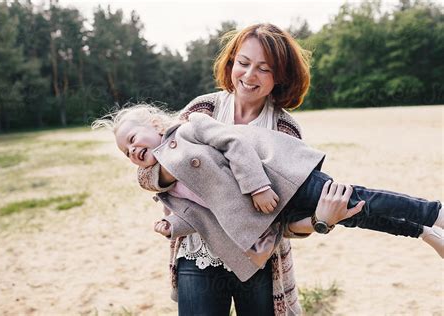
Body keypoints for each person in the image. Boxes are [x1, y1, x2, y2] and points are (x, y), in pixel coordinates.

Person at [97, 23, 365, 315]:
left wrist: (319, 221)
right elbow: (150, 169)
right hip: (197, 255)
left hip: (258, 262)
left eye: (264, 68)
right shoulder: (202, 110)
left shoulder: (285, 129)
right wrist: (179, 171)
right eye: (244, 63)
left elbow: (285, 219)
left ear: (281, 76)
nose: (250, 76)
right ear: (231, 62)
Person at [93, 105, 444, 265]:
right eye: (126, 151)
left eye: (133, 138)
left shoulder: (189, 128)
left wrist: (257, 185)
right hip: (272, 215)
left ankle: (436, 213)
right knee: (357, 215)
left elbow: (235, 143)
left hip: (282, 184)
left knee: (363, 199)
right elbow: (202, 210)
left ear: (155, 124)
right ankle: (421, 232)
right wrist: (172, 225)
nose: (132, 149)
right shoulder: (164, 188)